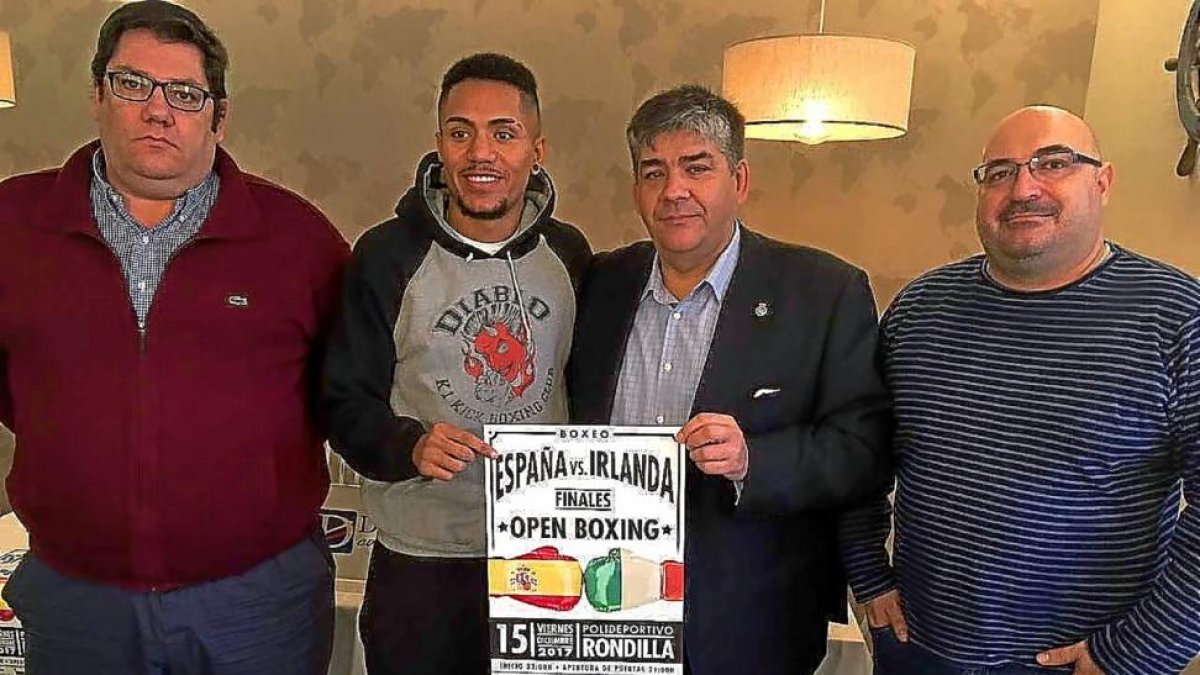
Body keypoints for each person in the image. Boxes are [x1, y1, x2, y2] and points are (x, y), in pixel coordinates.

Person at [0, 2, 350, 674]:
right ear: (97, 94)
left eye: (185, 94)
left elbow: (346, 387)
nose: (158, 111)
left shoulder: (298, 240)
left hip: (257, 602)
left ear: (218, 116)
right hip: (81, 603)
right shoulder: (14, 228)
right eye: (134, 84)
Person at [840, 105, 1200, 675]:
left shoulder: (1177, 317)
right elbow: (857, 452)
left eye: (1053, 163)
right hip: (918, 648)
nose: (1023, 188)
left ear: (1102, 181)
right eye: (1000, 172)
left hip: (1082, 662)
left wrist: (1140, 651)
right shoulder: (920, 309)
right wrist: (865, 569)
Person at [568, 84, 893, 675]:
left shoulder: (823, 291)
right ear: (636, 189)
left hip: (749, 627)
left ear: (739, 180)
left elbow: (863, 451)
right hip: (601, 614)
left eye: (698, 168)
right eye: (654, 172)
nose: (675, 192)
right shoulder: (598, 284)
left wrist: (753, 461)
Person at [321, 52, 591, 674]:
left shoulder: (571, 256)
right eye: (460, 132)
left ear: (536, 148)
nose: (481, 153)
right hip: (422, 559)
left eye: (504, 133)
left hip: (543, 550)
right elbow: (341, 397)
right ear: (439, 143)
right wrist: (407, 444)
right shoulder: (387, 254)